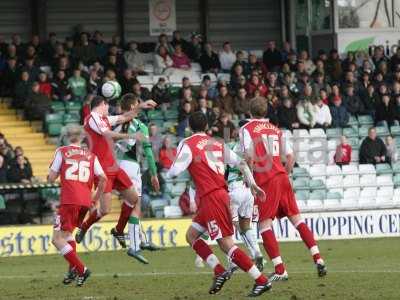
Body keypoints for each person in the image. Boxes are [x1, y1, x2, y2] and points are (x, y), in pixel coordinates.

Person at [166, 111, 271, 297]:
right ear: (207, 127)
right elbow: (241, 163)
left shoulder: (188, 143)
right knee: (191, 236)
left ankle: (261, 280)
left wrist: (175, 164)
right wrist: (253, 184)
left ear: (190, 127)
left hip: (212, 197)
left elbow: (174, 172)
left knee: (226, 244)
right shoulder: (217, 144)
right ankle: (218, 270)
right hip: (217, 195)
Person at [239, 97, 327, 282]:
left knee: (263, 224)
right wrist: (285, 174)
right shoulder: (277, 130)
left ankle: (280, 270)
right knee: (297, 219)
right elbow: (290, 156)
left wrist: (250, 180)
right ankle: (318, 258)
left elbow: (248, 157)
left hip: (266, 180)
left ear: (250, 112)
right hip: (282, 177)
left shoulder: (246, 129)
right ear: (266, 112)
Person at [75, 96, 157, 248]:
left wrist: (142, 106)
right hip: (102, 171)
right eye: (107, 106)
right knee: (105, 210)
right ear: (102, 104)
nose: (109, 109)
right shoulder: (92, 117)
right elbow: (107, 134)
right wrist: (131, 135)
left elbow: (125, 117)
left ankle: (125, 234)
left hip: (115, 168)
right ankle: (84, 226)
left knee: (135, 200)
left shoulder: (103, 119)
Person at [48, 124, 107, 286]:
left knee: (57, 239)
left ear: (67, 136)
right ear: (82, 138)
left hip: (69, 199)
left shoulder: (62, 151)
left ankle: (81, 269)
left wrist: (57, 172)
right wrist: (95, 197)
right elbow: (103, 178)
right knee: (67, 235)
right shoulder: (91, 155)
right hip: (85, 202)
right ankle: (72, 270)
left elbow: (51, 178)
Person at [114, 94, 161, 263]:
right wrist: (154, 174)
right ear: (134, 106)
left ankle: (138, 238)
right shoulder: (140, 125)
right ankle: (134, 246)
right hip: (130, 166)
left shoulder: (115, 121)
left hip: (113, 166)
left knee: (130, 203)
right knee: (136, 204)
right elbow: (148, 152)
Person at [226, 130, 265, 273]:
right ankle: (257, 251)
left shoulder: (228, 147)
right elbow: (250, 164)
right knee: (246, 225)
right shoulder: (249, 150)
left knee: (228, 227)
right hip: (247, 190)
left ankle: (232, 262)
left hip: (233, 189)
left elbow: (223, 170)